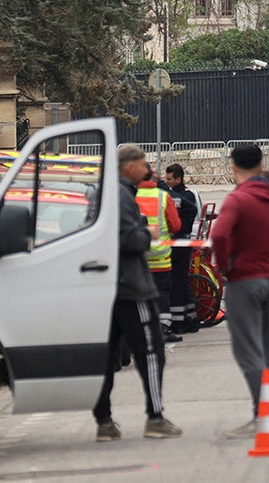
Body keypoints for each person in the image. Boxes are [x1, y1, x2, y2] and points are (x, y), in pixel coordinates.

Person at [210, 144, 269, 439]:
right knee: (267, 348)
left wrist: (224, 268)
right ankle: (268, 409)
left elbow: (220, 234)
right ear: (262, 163)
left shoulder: (237, 200)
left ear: (233, 166)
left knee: (247, 349)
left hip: (243, 280)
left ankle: (261, 414)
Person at [93, 145, 181, 442]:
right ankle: (155, 417)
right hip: (130, 287)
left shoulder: (108, 192)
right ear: (128, 166)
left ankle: (104, 423)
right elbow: (128, 239)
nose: (148, 169)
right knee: (152, 352)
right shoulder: (120, 195)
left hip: (108, 286)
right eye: (143, 163)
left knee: (106, 358)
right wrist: (148, 233)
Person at [136, 164, 184, 343]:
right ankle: (163, 329)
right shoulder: (163, 196)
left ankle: (144, 329)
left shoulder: (131, 196)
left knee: (141, 295)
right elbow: (176, 225)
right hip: (161, 256)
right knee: (162, 292)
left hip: (139, 255)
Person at [164, 163, 199, 335]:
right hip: (183, 242)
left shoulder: (174, 196)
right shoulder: (187, 195)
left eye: (170, 179)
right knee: (183, 281)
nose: (167, 181)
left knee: (176, 282)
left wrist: (179, 228)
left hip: (177, 242)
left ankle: (178, 322)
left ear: (179, 179)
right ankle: (190, 318)